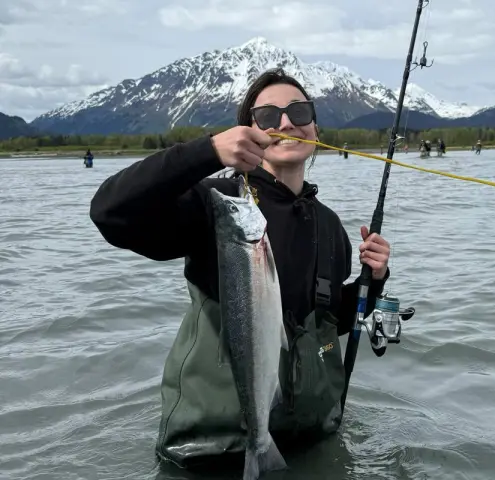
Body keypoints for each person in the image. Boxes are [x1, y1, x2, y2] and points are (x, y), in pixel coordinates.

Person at [88, 68, 392, 470]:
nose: (286, 123)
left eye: (299, 112)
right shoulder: (218, 204)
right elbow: (110, 212)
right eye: (268, 116)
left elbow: (327, 321)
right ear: (247, 133)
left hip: (307, 448)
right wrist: (206, 152)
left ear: (315, 127)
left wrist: (375, 280)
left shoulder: (330, 226)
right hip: (210, 456)